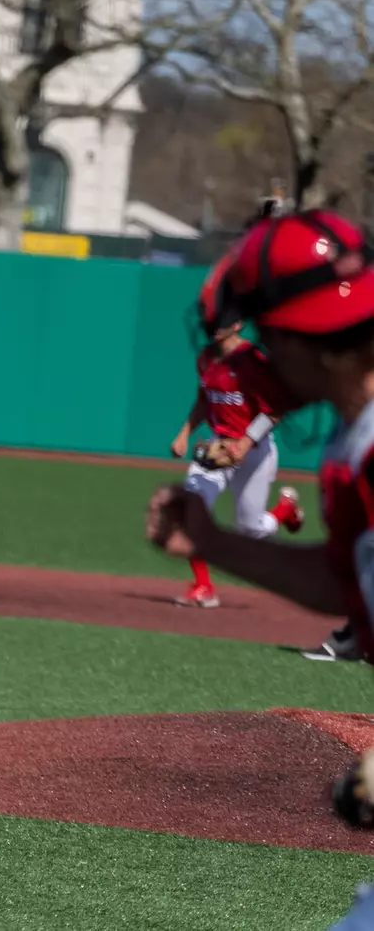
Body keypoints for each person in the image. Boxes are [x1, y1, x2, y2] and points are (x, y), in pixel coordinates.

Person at [144, 210, 374, 929]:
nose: (258, 354)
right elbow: (349, 586)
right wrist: (213, 544)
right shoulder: (351, 437)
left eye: (266, 335)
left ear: (307, 339)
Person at [166, 255, 304, 609]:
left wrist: (245, 442)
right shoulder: (207, 358)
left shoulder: (253, 363)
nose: (213, 326)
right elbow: (204, 398)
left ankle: (284, 512)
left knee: (249, 529)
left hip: (253, 450)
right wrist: (184, 432)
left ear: (239, 324)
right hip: (216, 448)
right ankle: (203, 588)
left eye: (221, 320)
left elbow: (275, 410)